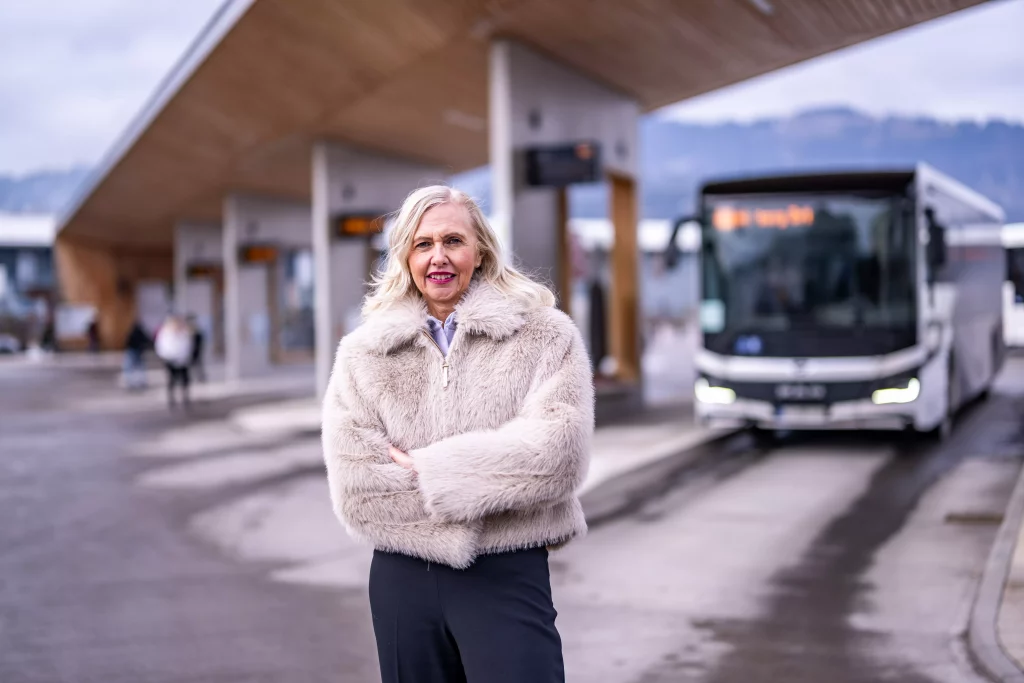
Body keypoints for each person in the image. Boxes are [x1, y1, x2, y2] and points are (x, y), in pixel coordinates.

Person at [321, 185, 594, 683]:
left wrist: (431, 469)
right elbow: (357, 487)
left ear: (481, 250)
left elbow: (557, 456)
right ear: (405, 255)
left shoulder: (545, 336)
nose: (438, 257)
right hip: (403, 578)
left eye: (453, 240)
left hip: (506, 569)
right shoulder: (363, 354)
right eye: (423, 244)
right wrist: (497, 475)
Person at [154, 314, 194, 409]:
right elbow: (161, 347)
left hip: (183, 360)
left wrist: (186, 357)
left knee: (185, 380)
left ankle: (185, 398)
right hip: (170, 360)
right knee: (171, 380)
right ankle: (171, 399)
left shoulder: (184, 333)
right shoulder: (166, 333)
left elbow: (188, 346)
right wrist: (168, 356)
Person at [122, 320, 151, 391]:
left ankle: (132, 381)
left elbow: (127, 342)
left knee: (131, 367)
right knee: (139, 367)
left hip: (133, 351)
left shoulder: (133, 332)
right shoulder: (140, 332)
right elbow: (147, 340)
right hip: (137, 351)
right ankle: (140, 381)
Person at [186, 315, 206, 383]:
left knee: (198, 366)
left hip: (196, 351)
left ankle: (201, 378)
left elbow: (200, 341)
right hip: (189, 352)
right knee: (190, 366)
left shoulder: (196, 330)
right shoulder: (187, 330)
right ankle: (189, 379)